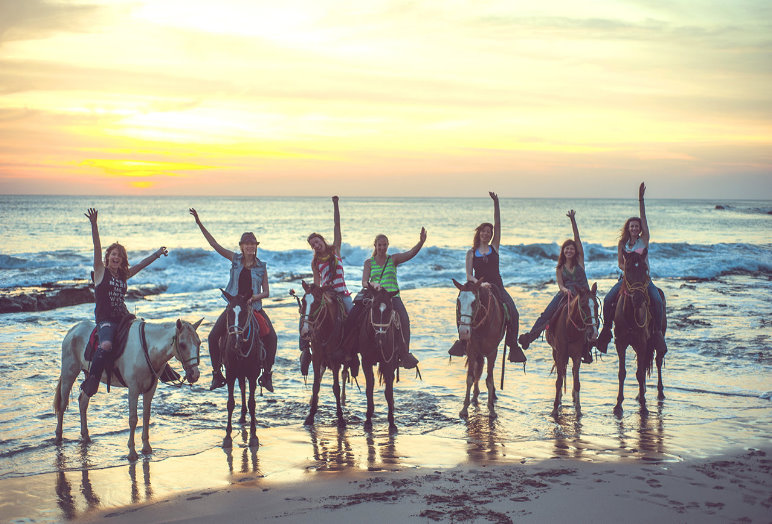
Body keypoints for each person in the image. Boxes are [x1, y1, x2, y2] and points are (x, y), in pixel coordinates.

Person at [81, 208, 167, 397]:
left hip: (124, 318)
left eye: (119, 255)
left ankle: (165, 371)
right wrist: (94, 225)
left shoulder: (123, 275)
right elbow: (96, 248)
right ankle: (92, 380)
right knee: (106, 345)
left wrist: (157, 253)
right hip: (106, 320)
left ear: (122, 260)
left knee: (145, 336)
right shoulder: (100, 272)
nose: (116, 257)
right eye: (113, 254)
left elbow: (141, 265)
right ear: (108, 257)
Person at [190, 208, 278, 392]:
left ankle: (267, 375)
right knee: (213, 336)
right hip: (234, 307)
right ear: (241, 247)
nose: (250, 247)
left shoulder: (261, 267)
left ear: (256, 246)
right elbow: (214, 245)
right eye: (246, 244)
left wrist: (254, 298)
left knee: (272, 337)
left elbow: (267, 292)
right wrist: (199, 223)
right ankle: (216, 374)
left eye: (252, 244)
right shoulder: (235, 259)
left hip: (253, 308)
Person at [448, 192, 526, 363]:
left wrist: (496, 203)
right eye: (483, 231)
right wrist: (480, 284)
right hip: (478, 287)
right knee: (462, 307)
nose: (486, 234)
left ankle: (513, 346)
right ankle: (462, 342)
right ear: (479, 233)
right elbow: (469, 274)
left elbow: (498, 224)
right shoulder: (471, 252)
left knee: (513, 312)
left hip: (497, 286)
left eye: (488, 232)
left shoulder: (494, 247)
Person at [595, 182, 667, 354]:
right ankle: (606, 331)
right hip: (626, 280)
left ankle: (657, 333)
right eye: (632, 226)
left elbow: (644, 219)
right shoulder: (622, 243)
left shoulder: (644, 240)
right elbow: (620, 263)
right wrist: (628, 269)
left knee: (657, 300)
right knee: (608, 299)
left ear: (640, 228)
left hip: (643, 281)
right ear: (628, 228)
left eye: (637, 226)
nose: (634, 228)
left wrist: (641, 200)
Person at [518, 210, 594, 363]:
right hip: (566, 293)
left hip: (583, 294)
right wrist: (565, 290)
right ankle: (530, 337)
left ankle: (591, 346)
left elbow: (577, 239)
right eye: (566, 248)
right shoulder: (560, 267)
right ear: (563, 251)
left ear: (575, 251)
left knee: (592, 315)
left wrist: (573, 221)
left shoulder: (580, 262)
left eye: (571, 248)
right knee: (547, 314)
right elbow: (560, 284)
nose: (569, 250)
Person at [357, 228, 426, 369]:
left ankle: (404, 354)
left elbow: (410, 253)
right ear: (375, 246)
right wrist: (373, 284)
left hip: (392, 298)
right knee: (355, 317)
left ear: (388, 245)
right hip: (376, 297)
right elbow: (364, 282)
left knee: (405, 320)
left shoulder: (393, 259)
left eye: (384, 245)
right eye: (379, 245)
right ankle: (352, 348)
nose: (382, 248)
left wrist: (421, 242)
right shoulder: (369, 263)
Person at [301, 196, 353, 373]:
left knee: (353, 318)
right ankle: (305, 350)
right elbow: (317, 284)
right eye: (313, 245)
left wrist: (336, 205)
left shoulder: (335, 250)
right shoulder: (315, 262)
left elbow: (337, 226)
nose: (316, 245)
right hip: (327, 295)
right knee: (306, 314)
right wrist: (311, 292)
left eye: (317, 242)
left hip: (342, 294)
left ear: (323, 241)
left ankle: (351, 354)